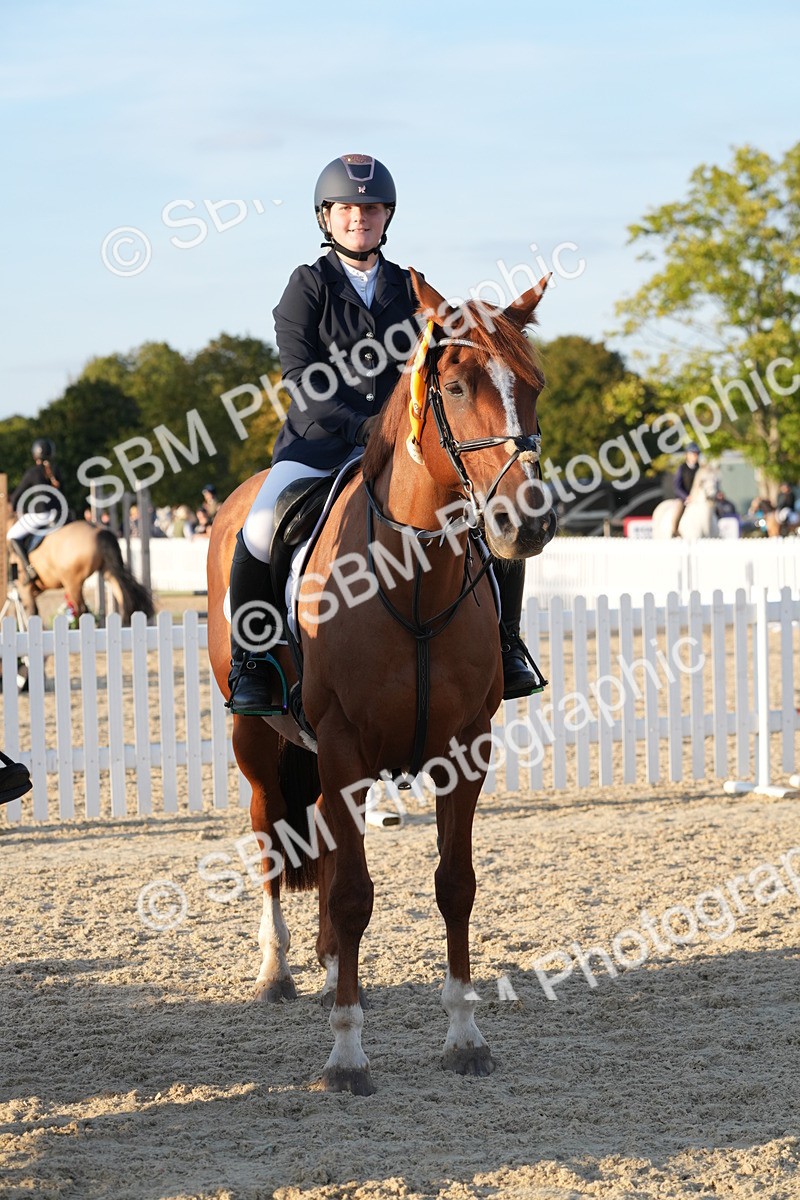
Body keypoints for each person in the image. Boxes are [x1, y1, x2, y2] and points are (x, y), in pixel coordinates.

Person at [226, 153, 542, 714]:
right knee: (259, 526)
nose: (359, 218)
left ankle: (507, 643)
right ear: (326, 217)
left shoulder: (409, 286)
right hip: (318, 445)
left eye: (370, 209)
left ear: (386, 217)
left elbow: (454, 353)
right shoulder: (307, 286)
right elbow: (300, 379)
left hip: (404, 450)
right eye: (347, 208)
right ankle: (253, 661)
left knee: (493, 512)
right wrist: (359, 424)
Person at [7, 438, 63, 581]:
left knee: (12, 535)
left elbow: (18, 494)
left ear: (35, 455)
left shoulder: (33, 472)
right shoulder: (55, 470)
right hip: (60, 514)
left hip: (42, 515)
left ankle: (29, 569)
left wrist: (13, 508)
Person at [670, 442, 700, 537]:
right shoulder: (681, 468)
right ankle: (674, 530)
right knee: (679, 509)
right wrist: (686, 497)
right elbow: (677, 487)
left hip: (697, 498)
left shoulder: (700, 468)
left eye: (696, 454)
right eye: (692, 454)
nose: (695, 456)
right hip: (683, 498)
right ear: (687, 455)